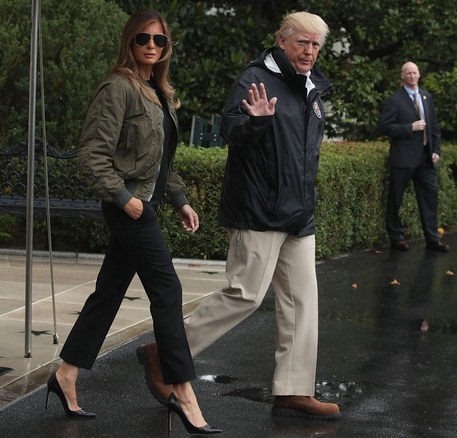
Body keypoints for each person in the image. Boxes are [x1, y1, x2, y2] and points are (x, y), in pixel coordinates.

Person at [135, 11, 341, 421]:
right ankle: (164, 354)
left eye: (316, 45)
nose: (310, 51)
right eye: (302, 42)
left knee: (303, 303)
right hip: (259, 209)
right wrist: (258, 123)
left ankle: (293, 390)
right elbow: (232, 129)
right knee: (244, 295)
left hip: (299, 214)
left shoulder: (312, 86)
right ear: (282, 41)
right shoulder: (254, 78)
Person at [45, 9, 221, 435]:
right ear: (130, 41)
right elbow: (91, 154)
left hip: (148, 204)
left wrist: (179, 199)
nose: (151, 46)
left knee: (108, 294)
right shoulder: (117, 88)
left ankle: (66, 373)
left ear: (166, 48)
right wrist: (125, 200)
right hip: (130, 207)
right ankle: (181, 389)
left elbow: (161, 160)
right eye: (143, 38)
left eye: (159, 41)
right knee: (167, 288)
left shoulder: (157, 91)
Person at [379, 61, 449, 252]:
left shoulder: (427, 97)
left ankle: (433, 239)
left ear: (419, 75)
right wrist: (409, 128)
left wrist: (436, 150)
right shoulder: (395, 100)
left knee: (430, 199)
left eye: (414, 73)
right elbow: (385, 126)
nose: (412, 76)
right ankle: (396, 237)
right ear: (402, 76)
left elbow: (434, 127)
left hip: (426, 159)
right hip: (403, 159)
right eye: (408, 73)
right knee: (396, 199)